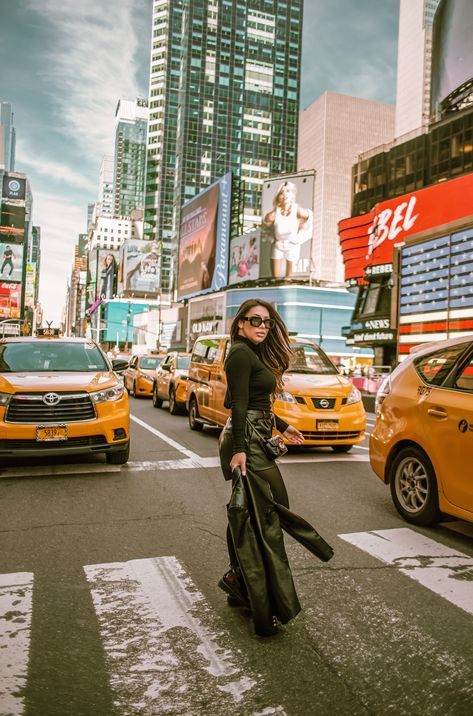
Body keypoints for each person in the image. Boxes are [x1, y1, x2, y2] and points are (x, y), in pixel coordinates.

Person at [218, 298, 306, 630]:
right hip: (246, 443)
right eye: (255, 320)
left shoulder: (248, 353)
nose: (262, 327)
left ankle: (239, 581)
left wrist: (282, 426)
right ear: (240, 322)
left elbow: (250, 400)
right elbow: (238, 405)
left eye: (267, 322)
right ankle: (242, 580)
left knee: (250, 510)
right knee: (271, 508)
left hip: (252, 436)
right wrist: (240, 450)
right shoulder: (240, 354)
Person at [263, 181, 312, 278]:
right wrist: (271, 238)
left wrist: (299, 239)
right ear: (278, 197)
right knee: (275, 279)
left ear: (292, 194)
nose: (285, 194)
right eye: (281, 192)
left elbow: (310, 221)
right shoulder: (274, 213)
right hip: (278, 245)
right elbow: (264, 228)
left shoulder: (297, 210)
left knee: (289, 279)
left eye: (288, 191)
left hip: (292, 245)